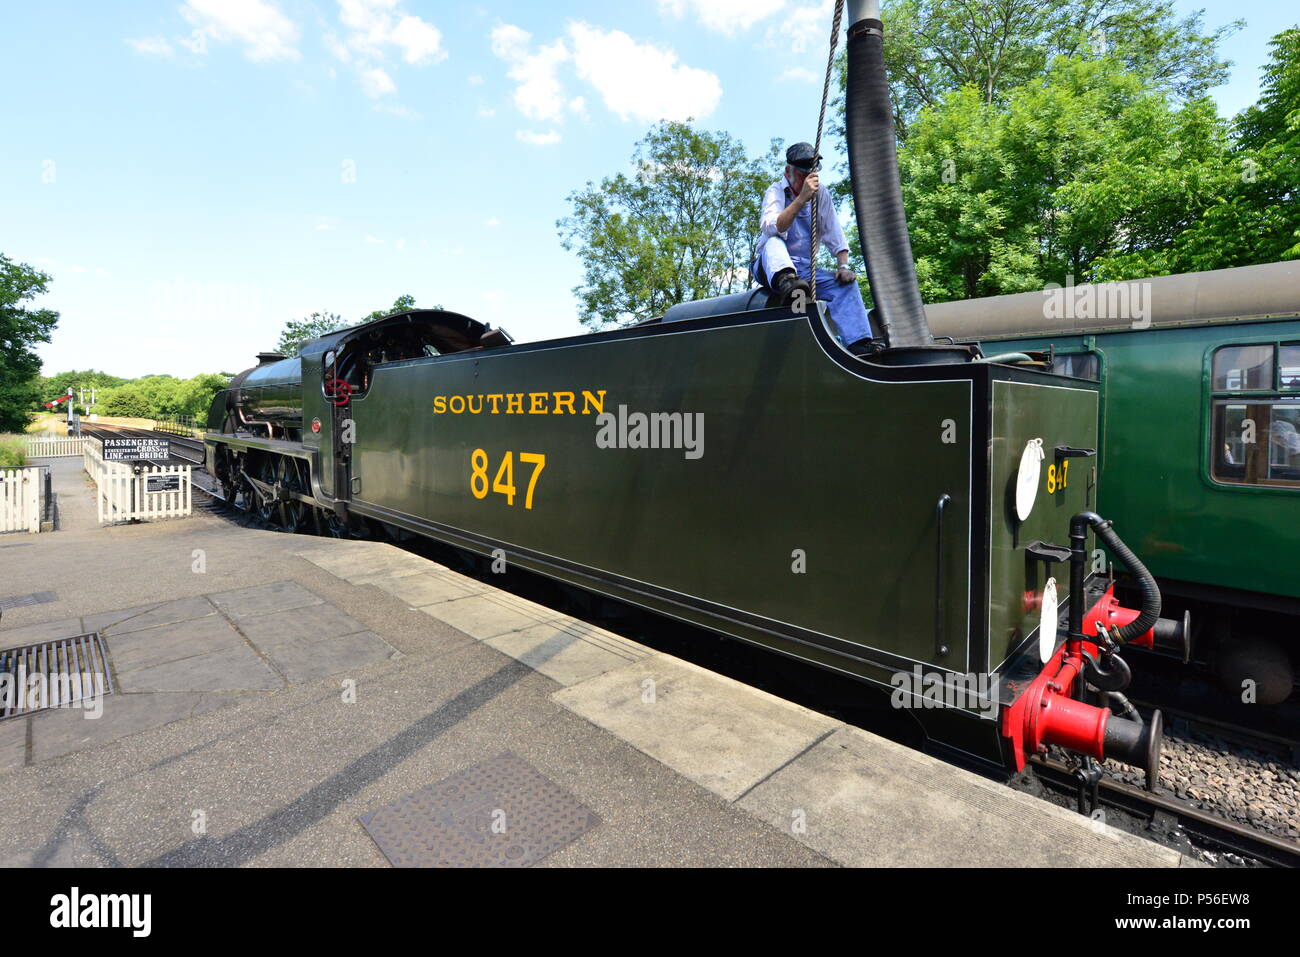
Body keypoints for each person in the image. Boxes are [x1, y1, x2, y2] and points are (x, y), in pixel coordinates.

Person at [753, 142, 876, 355]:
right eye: (802, 175)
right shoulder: (775, 191)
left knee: (845, 286)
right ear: (788, 171)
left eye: (811, 174)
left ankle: (858, 343)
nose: (807, 181)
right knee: (774, 241)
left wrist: (843, 265)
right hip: (770, 267)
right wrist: (801, 199)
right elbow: (775, 226)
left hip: (805, 271)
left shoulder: (822, 195)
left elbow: (835, 234)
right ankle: (788, 282)